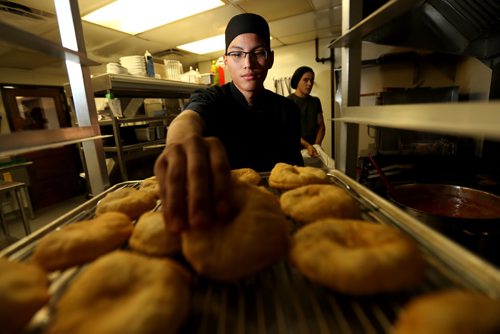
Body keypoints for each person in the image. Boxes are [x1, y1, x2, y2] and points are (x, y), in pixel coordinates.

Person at [154, 13, 303, 232]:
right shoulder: (212, 98)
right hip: (222, 212)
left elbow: (295, 169)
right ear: (225, 61)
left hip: (277, 212)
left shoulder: (288, 109)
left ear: (270, 58)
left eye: (257, 53)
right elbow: (187, 119)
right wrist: (179, 144)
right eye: (237, 54)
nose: (248, 64)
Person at [287, 66, 325, 164]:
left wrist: (317, 145)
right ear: (297, 81)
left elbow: (321, 125)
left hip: (314, 149)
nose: (309, 84)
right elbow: (290, 131)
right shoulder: (287, 102)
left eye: (312, 80)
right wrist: (307, 145)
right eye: (306, 80)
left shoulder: (315, 101)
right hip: (295, 151)